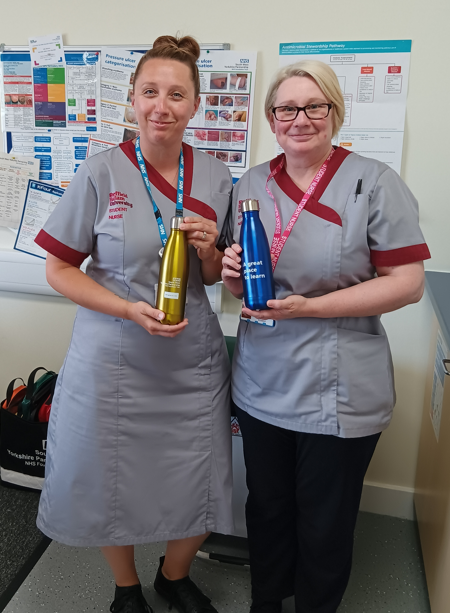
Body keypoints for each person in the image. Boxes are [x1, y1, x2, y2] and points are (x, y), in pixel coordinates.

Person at [221, 60, 430, 613]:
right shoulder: (250, 184)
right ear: (271, 117)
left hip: (338, 389)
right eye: (287, 108)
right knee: (266, 508)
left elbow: (407, 284)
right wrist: (230, 273)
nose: (300, 119)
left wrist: (310, 308)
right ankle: (266, 602)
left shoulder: (374, 181)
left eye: (315, 106)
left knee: (324, 521)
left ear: (335, 112)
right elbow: (239, 279)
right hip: (262, 381)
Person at [35, 35, 234, 613]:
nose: (161, 106)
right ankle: (127, 588)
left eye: (176, 94)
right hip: (115, 351)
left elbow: (216, 276)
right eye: (150, 92)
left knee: (201, 469)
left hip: (190, 358)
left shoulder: (219, 176)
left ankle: (174, 575)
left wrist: (205, 251)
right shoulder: (100, 172)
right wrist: (126, 309)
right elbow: (59, 269)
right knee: (109, 471)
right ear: (131, 98)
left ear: (195, 104)